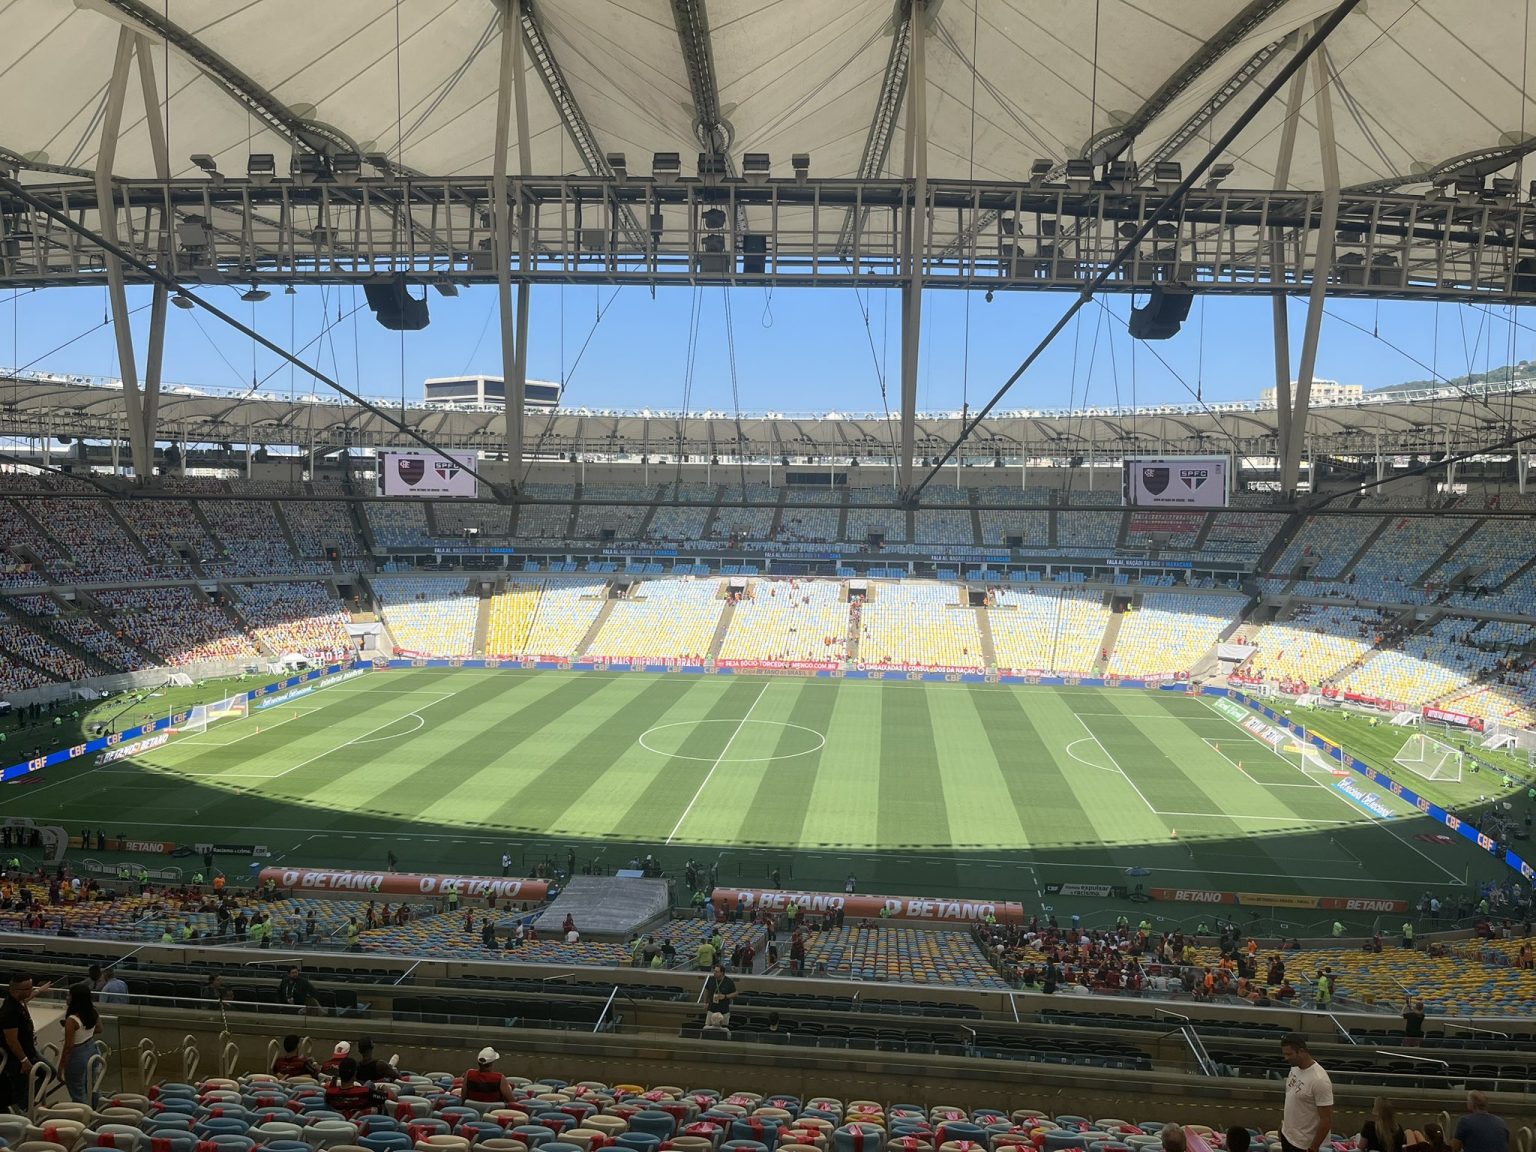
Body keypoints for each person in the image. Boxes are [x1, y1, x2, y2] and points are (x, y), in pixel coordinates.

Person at [0, 971, 47, 1112]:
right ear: (15, 990)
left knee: (47, 1072)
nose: (30, 991)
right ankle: (22, 1110)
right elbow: (12, 1040)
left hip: (29, 1051)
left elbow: (27, 998)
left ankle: (27, 1105)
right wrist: (24, 1060)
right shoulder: (9, 1012)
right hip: (17, 1058)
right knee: (20, 1089)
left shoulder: (18, 1002)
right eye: (27, 989)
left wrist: (39, 990)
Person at [1280, 1033, 1334, 1152]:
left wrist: (1313, 1147)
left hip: (1303, 1145)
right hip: (1287, 1135)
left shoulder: (1319, 1080)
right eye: (1284, 1054)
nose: (1286, 1058)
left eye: (1289, 1054)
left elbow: (1326, 1120)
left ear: (1302, 1051)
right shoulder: (1294, 1067)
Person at [60, 982, 102, 1106]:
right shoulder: (93, 1011)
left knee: (78, 1091)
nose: (67, 998)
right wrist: (82, 1032)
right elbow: (99, 1029)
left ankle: (83, 1119)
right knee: (92, 1086)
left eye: (69, 996)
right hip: (92, 1049)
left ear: (75, 999)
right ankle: (95, 1112)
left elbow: (68, 1047)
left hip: (77, 1055)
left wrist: (61, 1067)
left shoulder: (72, 1020)